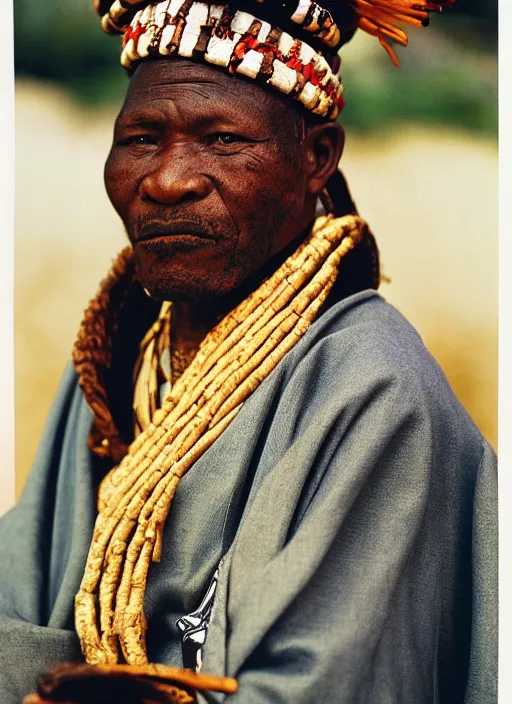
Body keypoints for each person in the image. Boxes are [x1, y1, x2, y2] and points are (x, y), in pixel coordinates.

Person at [0, 0, 497, 702]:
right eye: (141, 137)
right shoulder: (116, 362)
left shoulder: (377, 391)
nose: (168, 179)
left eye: (224, 140)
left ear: (316, 158)